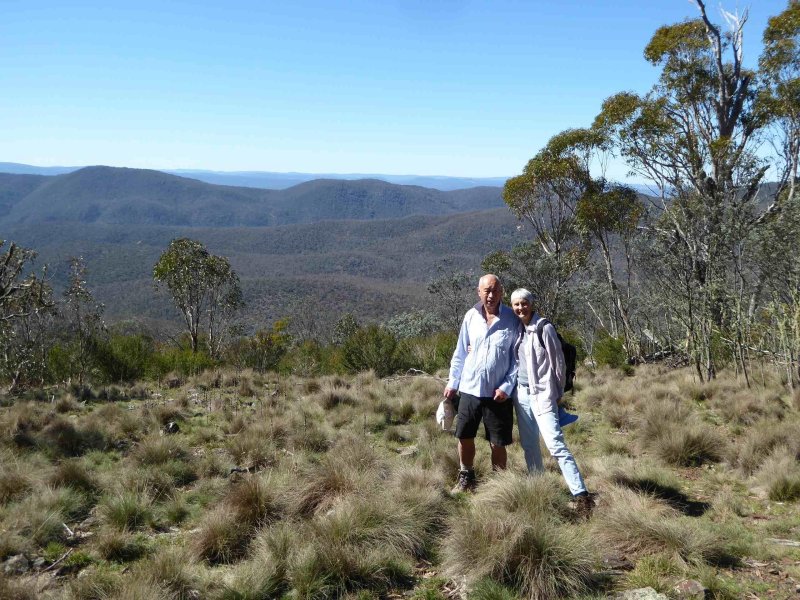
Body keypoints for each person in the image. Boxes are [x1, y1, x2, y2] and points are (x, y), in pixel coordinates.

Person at [510, 288, 594, 516]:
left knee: (556, 445)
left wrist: (557, 394)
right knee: (529, 446)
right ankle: (540, 489)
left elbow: (559, 364)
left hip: (544, 394)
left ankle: (582, 496)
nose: (520, 308)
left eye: (524, 303)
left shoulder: (544, 328)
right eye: (516, 304)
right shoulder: (519, 330)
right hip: (522, 394)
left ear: (531, 303)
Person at [444, 274, 519, 493]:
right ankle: (466, 476)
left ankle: (499, 487)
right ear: (479, 292)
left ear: (502, 292)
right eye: (486, 290)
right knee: (464, 436)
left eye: (495, 290)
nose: (491, 295)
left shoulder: (511, 320)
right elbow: (459, 353)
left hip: (498, 394)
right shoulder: (470, 317)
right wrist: (452, 382)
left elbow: (517, 361)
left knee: (498, 442)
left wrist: (506, 387)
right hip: (469, 388)